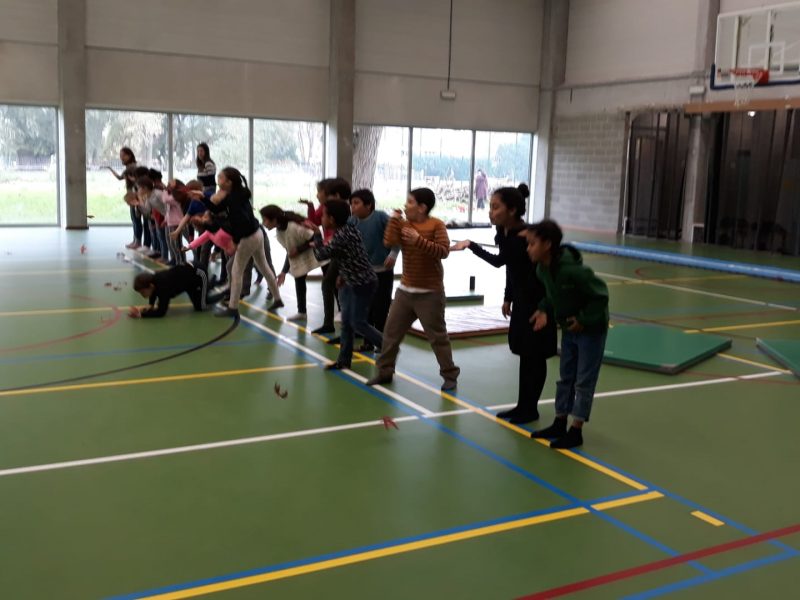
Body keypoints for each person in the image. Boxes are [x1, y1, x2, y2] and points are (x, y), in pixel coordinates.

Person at [450, 184, 556, 424]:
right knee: (525, 355)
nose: (491, 211)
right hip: (522, 299)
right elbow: (511, 267)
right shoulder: (506, 232)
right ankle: (523, 406)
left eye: (496, 207)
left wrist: (471, 246)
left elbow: (501, 262)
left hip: (537, 302)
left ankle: (530, 408)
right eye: (490, 206)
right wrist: (508, 297)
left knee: (534, 356)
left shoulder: (524, 236)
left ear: (512, 210)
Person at [526, 219, 610, 449]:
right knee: (566, 377)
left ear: (547, 245)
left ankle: (576, 430)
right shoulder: (542, 269)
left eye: (532, 244)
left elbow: (600, 296)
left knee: (583, 381)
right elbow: (552, 295)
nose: (528, 249)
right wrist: (544, 309)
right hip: (569, 329)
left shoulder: (573, 271)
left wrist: (583, 319)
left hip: (591, 331)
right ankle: (559, 421)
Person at [366, 188, 460, 391]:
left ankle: (450, 375)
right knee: (390, 334)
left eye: (410, 202)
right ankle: (385, 372)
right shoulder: (404, 224)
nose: (405, 205)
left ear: (422, 207)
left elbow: (443, 251)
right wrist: (394, 220)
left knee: (437, 337)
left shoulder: (436, 225)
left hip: (430, 293)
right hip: (405, 292)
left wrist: (419, 240)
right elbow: (389, 241)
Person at [312, 200, 383, 370]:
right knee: (347, 324)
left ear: (332, 219)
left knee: (358, 323)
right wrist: (343, 275)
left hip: (362, 283)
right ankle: (344, 361)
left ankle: (388, 345)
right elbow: (348, 256)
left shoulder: (342, 235)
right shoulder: (347, 230)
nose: (321, 218)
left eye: (324, 215)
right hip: (351, 281)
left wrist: (317, 235)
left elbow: (321, 255)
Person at [206, 167, 282, 317]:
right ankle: (278, 299)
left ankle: (233, 308)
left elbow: (242, 223)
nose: (218, 180)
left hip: (249, 237)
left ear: (229, 182)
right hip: (257, 233)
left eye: (220, 178)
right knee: (264, 267)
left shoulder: (234, 199)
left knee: (236, 272)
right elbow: (216, 208)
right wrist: (201, 198)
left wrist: (235, 241)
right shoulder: (234, 195)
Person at [349, 188, 398, 349]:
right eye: (351, 203)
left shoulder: (380, 217)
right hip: (363, 272)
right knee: (366, 309)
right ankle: (368, 342)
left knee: (381, 307)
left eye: (356, 203)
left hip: (382, 271)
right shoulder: (352, 221)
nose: (353, 206)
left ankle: (382, 342)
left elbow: (396, 236)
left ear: (368, 205)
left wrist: (393, 254)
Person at [260, 205, 319, 321]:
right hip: (304, 256)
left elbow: (315, 238)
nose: (263, 223)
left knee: (329, 284)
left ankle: (341, 312)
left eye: (265, 220)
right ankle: (302, 312)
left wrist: (299, 249)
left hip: (321, 254)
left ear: (274, 219)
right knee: (299, 278)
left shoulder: (294, 226)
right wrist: (283, 272)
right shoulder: (279, 233)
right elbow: (290, 252)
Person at [131, 265, 222, 318]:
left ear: (150, 286)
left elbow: (161, 312)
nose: (142, 295)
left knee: (201, 306)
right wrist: (150, 305)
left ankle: (225, 292)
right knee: (199, 301)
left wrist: (141, 315)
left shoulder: (163, 287)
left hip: (198, 274)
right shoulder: (154, 281)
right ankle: (212, 281)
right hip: (189, 281)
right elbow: (153, 293)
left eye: (142, 292)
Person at [105, 147, 140, 249]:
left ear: (129, 155)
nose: (121, 158)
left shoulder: (132, 168)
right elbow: (120, 177)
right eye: (120, 156)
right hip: (131, 196)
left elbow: (137, 181)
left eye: (123, 155)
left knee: (136, 220)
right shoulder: (129, 167)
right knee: (134, 219)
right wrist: (110, 169)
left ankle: (137, 241)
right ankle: (136, 240)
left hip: (134, 196)